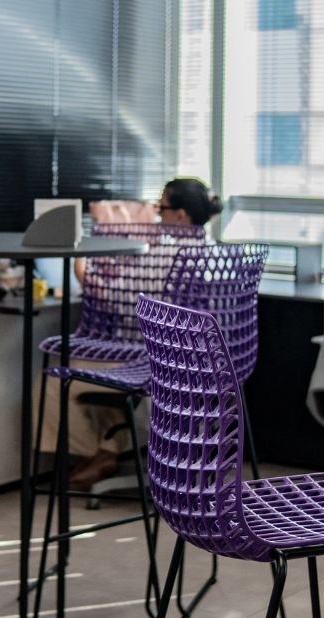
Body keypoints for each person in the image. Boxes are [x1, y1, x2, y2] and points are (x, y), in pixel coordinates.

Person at [48, 177, 223, 491]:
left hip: (154, 365)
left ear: (180, 215)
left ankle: (93, 454)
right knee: (100, 370)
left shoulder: (164, 256)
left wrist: (78, 261)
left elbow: (107, 295)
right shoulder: (217, 255)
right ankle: (106, 451)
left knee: (54, 379)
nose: (156, 214)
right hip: (206, 367)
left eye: (161, 207)